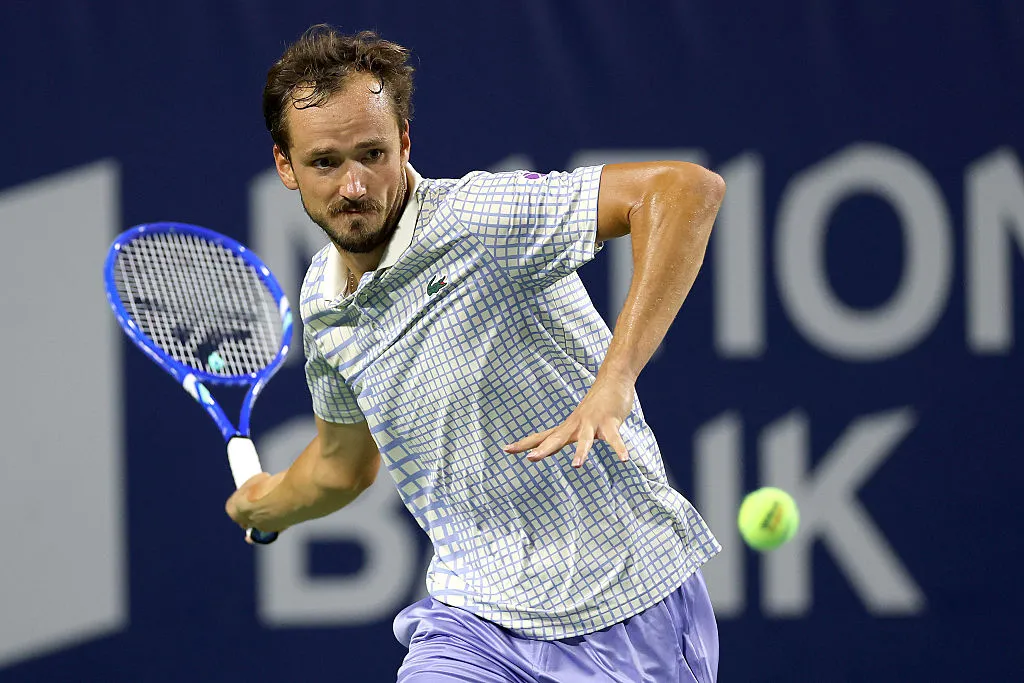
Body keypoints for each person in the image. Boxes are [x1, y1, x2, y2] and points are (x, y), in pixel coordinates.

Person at [227, 23, 726, 683]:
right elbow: (342, 466)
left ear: (405, 142)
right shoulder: (322, 300)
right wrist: (267, 506)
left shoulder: (479, 217)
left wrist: (616, 378)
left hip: (626, 605)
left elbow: (684, 191)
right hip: (474, 621)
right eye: (325, 162)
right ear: (285, 166)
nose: (354, 185)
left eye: (372, 154)